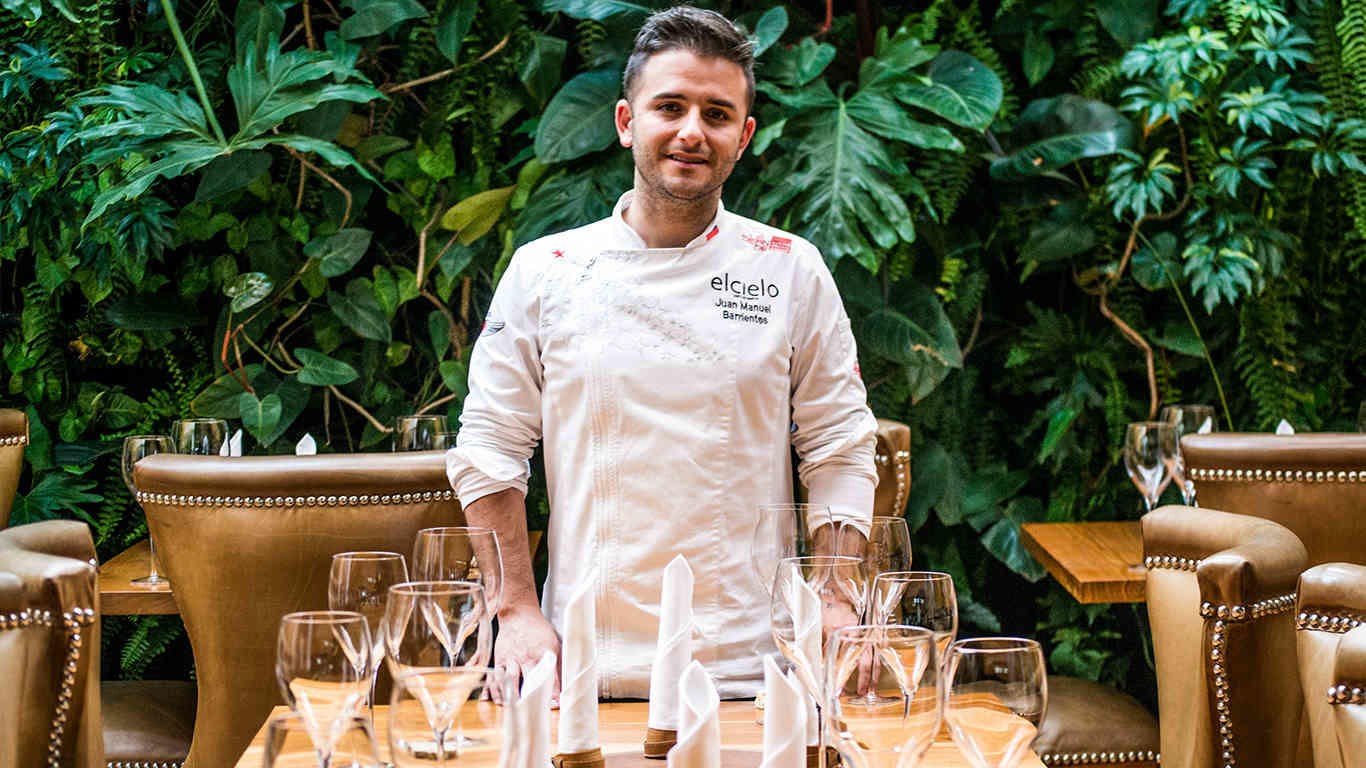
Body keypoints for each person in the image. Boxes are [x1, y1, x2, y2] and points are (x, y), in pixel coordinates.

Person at [445, 6, 878, 700]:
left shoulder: (789, 269)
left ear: (745, 135)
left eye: (716, 113)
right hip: (580, 665)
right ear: (625, 122)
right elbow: (491, 450)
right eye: (669, 107)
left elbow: (840, 447)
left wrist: (836, 597)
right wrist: (516, 610)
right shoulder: (547, 269)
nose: (691, 132)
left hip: (761, 668)